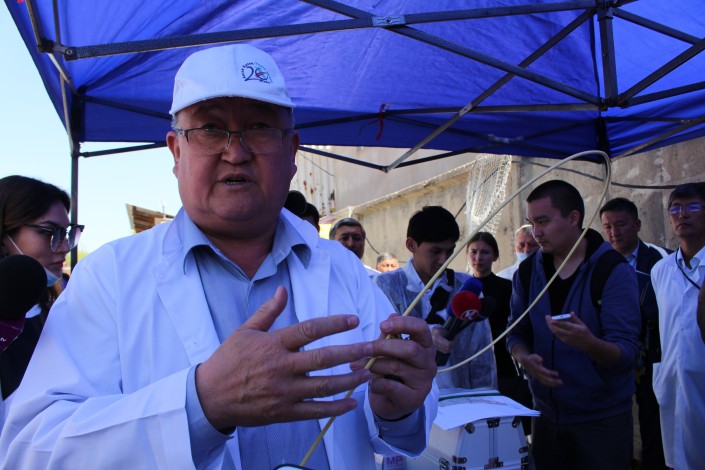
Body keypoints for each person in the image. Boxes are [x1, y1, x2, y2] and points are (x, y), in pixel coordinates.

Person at [0, 44, 438, 469]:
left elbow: (395, 419)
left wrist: (398, 409)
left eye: (259, 128)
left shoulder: (343, 269)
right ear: (176, 151)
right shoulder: (108, 276)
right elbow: (29, 451)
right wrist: (201, 404)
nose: (236, 152)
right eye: (210, 129)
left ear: (292, 151)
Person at [507, 180, 640, 470]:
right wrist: (524, 357)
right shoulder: (527, 273)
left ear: (573, 218)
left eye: (543, 221)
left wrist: (590, 344)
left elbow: (627, 354)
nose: (536, 232)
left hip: (601, 422)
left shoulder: (611, 270)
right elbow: (514, 332)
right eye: (532, 222)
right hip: (545, 415)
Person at [376, 206, 496, 390]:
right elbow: (378, 344)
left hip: (458, 396)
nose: (443, 260)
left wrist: (486, 397)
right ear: (411, 245)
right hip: (405, 398)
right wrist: (424, 336)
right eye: (435, 251)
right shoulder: (385, 286)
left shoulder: (466, 287)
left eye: (450, 251)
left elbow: (481, 352)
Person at [0, 175, 82, 432]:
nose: (65, 246)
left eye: (68, 233)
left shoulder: (62, 307)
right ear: (5, 234)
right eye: (49, 232)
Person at [600, 197, 668, 470]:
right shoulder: (599, 263)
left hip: (652, 352)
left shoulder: (660, 260)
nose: (614, 232)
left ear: (637, 225)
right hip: (612, 349)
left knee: (652, 414)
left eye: (621, 224)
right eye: (608, 226)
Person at [650, 182, 705, 469]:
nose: (682, 214)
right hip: (673, 381)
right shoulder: (661, 269)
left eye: (692, 206)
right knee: (679, 458)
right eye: (675, 208)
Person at [466, 232, 532, 433]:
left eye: (485, 252)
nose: (478, 258)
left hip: (502, 363)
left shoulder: (507, 287)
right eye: (473, 252)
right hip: (470, 365)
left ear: (495, 256)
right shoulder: (462, 289)